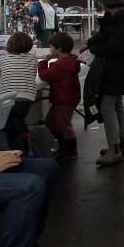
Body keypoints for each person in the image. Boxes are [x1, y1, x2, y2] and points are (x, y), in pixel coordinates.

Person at [81, 0, 124, 168]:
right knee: (116, 106)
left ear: (105, 1)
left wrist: (94, 48)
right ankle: (122, 143)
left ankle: (113, 148)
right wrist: (90, 42)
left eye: (99, 0)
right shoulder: (115, 17)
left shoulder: (122, 21)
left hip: (117, 70)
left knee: (107, 107)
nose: (98, 4)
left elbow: (115, 47)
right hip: (118, 70)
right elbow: (104, 35)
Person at [37, 32, 81, 161]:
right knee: (51, 122)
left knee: (63, 125)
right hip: (68, 97)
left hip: (63, 99)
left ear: (59, 48)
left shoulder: (61, 65)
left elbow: (45, 75)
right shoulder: (70, 61)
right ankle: (64, 147)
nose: (49, 50)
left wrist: (43, 62)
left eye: (51, 47)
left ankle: (70, 150)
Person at [0, 32, 38, 155]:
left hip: (8, 98)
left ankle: (20, 153)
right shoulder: (32, 58)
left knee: (11, 128)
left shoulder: (3, 58)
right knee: (20, 121)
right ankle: (28, 145)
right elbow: (33, 74)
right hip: (27, 96)